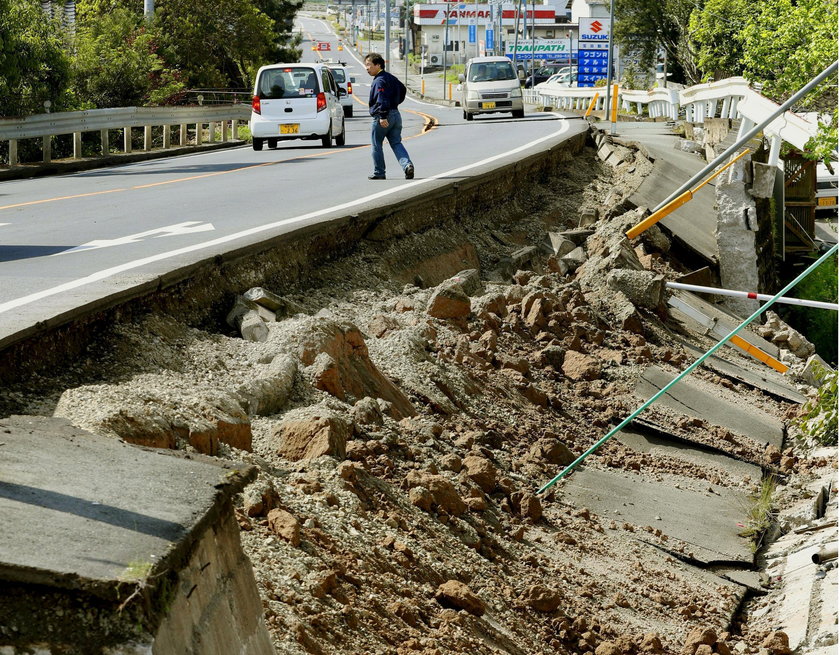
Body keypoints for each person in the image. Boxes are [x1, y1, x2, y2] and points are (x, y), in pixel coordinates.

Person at [364, 53, 414, 180]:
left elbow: (382, 99)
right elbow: (402, 90)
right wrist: (395, 104)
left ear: (378, 65)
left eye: (369, 65)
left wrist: (383, 116)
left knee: (376, 145)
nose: (367, 68)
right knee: (396, 142)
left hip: (383, 117)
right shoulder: (391, 78)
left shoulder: (379, 81)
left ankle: (379, 172)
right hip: (396, 115)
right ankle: (407, 165)